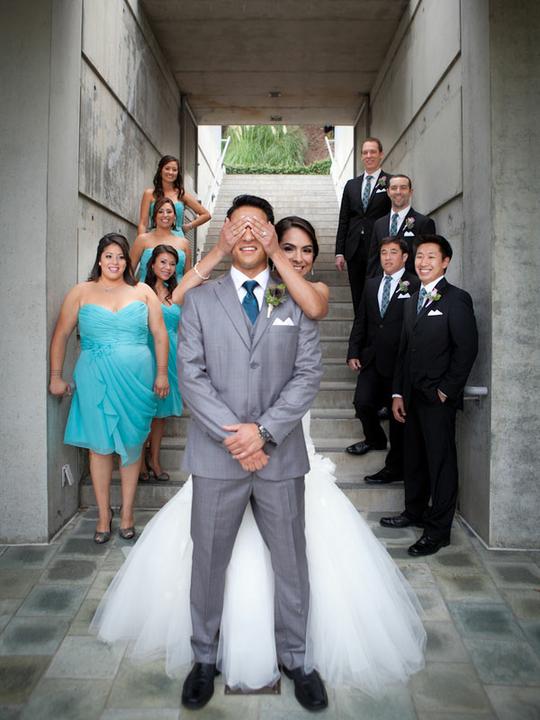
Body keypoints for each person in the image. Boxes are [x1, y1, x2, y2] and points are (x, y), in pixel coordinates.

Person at [91, 205, 426, 708]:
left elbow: (308, 374)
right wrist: (236, 436)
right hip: (217, 456)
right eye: (238, 224)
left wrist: (264, 433)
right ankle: (204, 657)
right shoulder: (201, 299)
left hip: (280, 457)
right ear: (224, 232)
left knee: (291, 561)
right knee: (208, 561)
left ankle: (296, 658)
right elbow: (192, 374)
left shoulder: (294, 296)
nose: (248, 231)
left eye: (258, 224)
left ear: (271, 232)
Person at [49, 234, 169, 543]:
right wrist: (56, 376)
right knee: (99, 447)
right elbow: (61, 334)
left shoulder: (142, 291)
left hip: (136, 379)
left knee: (132, 443)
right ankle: (104, 515)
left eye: (121, 256)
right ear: (99, 260)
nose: (115, 262)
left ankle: (127, 512)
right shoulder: (80, 292)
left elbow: (160, 335)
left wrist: (161, 374)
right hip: (95, 377)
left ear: (128, 261)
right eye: (109, 256)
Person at [380, 235, 478, 556]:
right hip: (410, 396)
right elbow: (404, 351)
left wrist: (445, 391)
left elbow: (466, 350)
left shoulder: (457, 299)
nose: (423, 262)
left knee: (441, 463)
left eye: (431, 257)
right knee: (414, 458)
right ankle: (414, 511)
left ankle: (438, 531)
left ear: (445, 262)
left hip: (437, 399)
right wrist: (397, 393)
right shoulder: (411, 298)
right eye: (420, 256)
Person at [346, 238, 419, 486]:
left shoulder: (415, 284)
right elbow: (362, 321)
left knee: (398, 420)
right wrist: (353, 351)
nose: (387, 257)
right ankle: (375, 439)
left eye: (393, 252)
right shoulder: (371, 284)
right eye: (383, 252)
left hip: (400, 362)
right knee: (362, 402)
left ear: (405, 257)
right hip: (372, 357)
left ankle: (394, 467)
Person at [335, 137, 391, 312]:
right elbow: (344, 219)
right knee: (357, 296)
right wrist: (339, 252)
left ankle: (374, 326)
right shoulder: (351, 185)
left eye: (373, 152)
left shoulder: (391, 183)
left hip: (380, 248)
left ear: (381, 154)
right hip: (354, 249)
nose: (369, 156)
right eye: (365, 152)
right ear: (361, 156)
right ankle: (359, 327)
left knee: (377, 293)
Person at [142, 245, 183, 481]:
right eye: (163, 262)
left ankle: (155, 459)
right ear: (152, 264)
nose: (168, 268)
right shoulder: (140, 290)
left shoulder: (177, 292)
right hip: (146, 351)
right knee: (143, 408)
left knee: (161, 412)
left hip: (172, 353)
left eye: (172, 264)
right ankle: (139, 460)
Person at [366, 174, 436, 277]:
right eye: (394, 188)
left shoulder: (424, 223)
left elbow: (429, 259)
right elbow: (373, 260)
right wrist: (371, 283)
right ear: (388, 192)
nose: (398, 192)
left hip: (411, 284)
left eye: (403, 188)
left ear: (410, 192)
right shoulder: (379, 224)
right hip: (383, 283)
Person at [137, 154, 211, 238]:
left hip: (177, 238)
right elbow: (143, 223)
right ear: (160, 171)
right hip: (154, 238)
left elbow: (206, 215)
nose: (171, 172)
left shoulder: (181, 194)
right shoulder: (149, 194)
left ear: (177, 173)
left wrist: (188, 226)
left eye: (174, 170)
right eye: (167, 168)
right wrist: (140, 241)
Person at [131, 197, 191, 282]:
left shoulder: (184, 243)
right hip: (146, 288)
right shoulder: (142, 240)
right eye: (160, 212)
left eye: (169, 212)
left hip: (177, 289)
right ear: (154, 217)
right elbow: (129, 272)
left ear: (175, 217)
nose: (165, 215)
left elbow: (188, 278)